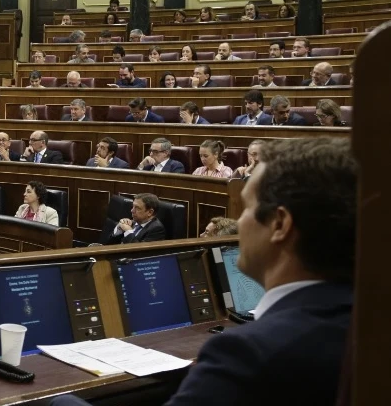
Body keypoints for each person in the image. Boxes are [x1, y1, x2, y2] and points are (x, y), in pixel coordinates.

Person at [57, 137, 357, 406]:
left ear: (280, 225)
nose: (238, 224)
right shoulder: (365, 328)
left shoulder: (247, 354)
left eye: (247, 208)